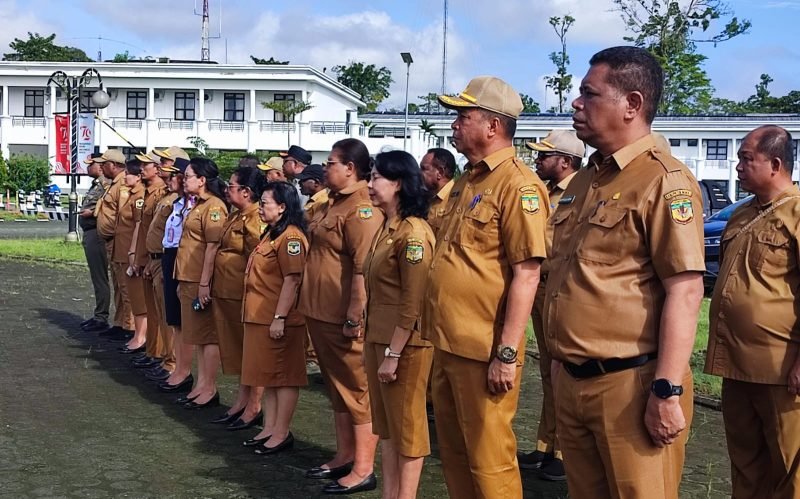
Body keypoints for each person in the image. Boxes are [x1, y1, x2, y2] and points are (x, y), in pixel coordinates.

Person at [543, 46, 705, 498]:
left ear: (632, 104)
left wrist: (667, 390)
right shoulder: (585, 180)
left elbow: (686, 291)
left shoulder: (663, 180)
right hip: (574, 380)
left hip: (632, 387)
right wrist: (560, 366)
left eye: (589, 94)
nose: (576, 104)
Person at [422, 76, 549, 498]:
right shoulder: (466, 182)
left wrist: (507, 355)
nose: (454, 125)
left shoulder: (519, 185)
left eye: (463, 116)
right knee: (455, 454)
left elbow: (527, 274)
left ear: (492, 126)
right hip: (447, 341)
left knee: (489, 458)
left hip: (483, 350)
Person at [704, 125, 800, 498]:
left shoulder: (795, 213)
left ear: (775, 164)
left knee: (788, 468)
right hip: (735, 364)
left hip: (780, 369)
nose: (738, 165)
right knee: (744, 462)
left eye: (746, 158)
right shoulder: (742, 215)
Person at [297, 138, 384, 495]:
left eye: (331, 162)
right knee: (336, 387)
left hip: (342, 316)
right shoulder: (331, 203)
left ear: (350, 168)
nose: (326, 167)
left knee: (356, 390)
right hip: (320, 311)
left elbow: (363, 268)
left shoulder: (361, 209)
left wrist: (354, 315)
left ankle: (363, 467)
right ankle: (344, 454)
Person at [363, 150, 434, 499]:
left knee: (407, 433)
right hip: (379, 338)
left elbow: (413, 300)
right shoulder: (386, 227)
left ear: (399, 184)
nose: (370, 184)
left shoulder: (414, 234)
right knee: (389, 430)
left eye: (377, 177)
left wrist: (393, 352)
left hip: (403, 346)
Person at [516, 129, 585, 481]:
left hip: (562, 292)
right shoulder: (546, 192)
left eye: (544, 156)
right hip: (540, 290)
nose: (538, 161)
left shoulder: (582, 190)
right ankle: (546, 444)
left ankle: (562, 452)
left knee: (563, 374)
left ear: (566, 161)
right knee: (547, 373)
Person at [242, 181, 309, 455]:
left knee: (284, 377)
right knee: (268, 376)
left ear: (282, 207)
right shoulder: (271, 234)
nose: (260, 208)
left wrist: (280, 317)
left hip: (280, 319)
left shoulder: (291, 237)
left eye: (265, 203)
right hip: (261, 316)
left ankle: (281, 432)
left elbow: (292, 280)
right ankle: (269, 428)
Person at [208, 166, 264, 429]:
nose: (227, 189)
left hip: (242, 294)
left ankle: (254, 405)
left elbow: (258, 260)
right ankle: (242, 401)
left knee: (251, 353)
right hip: (227, 292)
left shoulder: (254, 219)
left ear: (246, 191)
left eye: (232, 186)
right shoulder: (237, 215)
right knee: (238, 351)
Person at [174, 157, 229, 408]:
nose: (184, 180)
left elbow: (213, 246)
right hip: (188, 276)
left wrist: (204, 283)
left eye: (188, 176)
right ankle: (201, 384)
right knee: (197, 335)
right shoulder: (197, 205)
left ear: (202, 180)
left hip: (200, 278)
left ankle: (209, 387)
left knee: (208, 336)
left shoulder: (214, 207)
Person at [157, 158, 197, 394]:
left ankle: (183, 370)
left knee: (183, 320)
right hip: (170, 254)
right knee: (174, 319)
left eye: (175, 175)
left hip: (183, 258)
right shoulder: (177, 203)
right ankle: (178, 368)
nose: (170, 179)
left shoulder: (193, 205)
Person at [141, 155, 181, 382]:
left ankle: (171, 361)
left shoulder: (179, 201)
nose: (163, 169)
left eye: (169, 166)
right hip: (157, 259)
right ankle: (165, 356)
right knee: (161, 313)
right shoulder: (167, 196)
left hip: (168, 260)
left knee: (169, 316)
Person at [129, 151, 168, 370]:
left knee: (160, 311)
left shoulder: (162, 193)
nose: (142, 168)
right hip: (148, 256)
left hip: (157, 258)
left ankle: (162, 354)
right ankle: (153, 350)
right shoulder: (150, 192)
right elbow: (145, 230)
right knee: (152, 310)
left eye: (147, 165)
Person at [95, 149, 134, 337]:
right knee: (118, 285)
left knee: (126, 287)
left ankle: (129, 326)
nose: (101, 167)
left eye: (105, 164)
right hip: (112, 241)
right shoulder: (113, 184)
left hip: (120, 241)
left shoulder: (123, 185)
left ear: (115, 165)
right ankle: (120, 322)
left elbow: (124, 214)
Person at [114, 159, 147, 354]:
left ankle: (133, 329)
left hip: (131, 250)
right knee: (125, 290)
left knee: (131, 292)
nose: (125, 177)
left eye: (129, 174)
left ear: (138, 176)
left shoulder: (140, 196)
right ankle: (130, 328)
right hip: (122, 248)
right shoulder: (130, 194)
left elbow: (138, 225)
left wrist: (134, 252)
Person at [78, 152, 111, 334]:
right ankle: (99, 314)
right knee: (97, 277)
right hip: (90, 233)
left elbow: (107, 209)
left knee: (100, 278)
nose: (87, 168)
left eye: (91, 164)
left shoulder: (106, 185)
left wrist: (93, 213)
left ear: (99, 166)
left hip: (97, 234)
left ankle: (101, 317)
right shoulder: (97, 184)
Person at [419, 147, 457, 236]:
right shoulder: (427, 197)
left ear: (440, 172)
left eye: (424, 168)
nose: (419, 173)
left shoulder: (456, 200)